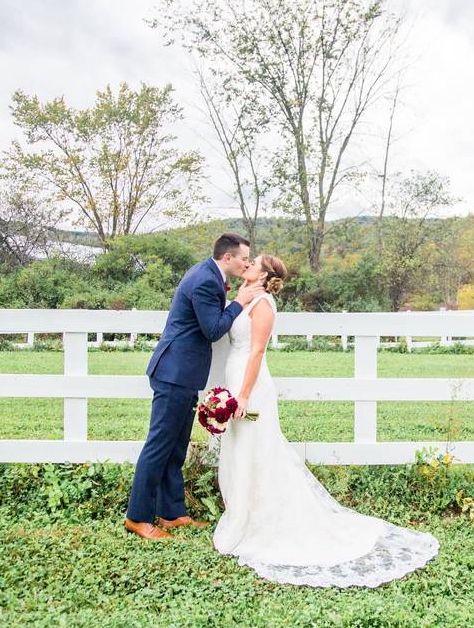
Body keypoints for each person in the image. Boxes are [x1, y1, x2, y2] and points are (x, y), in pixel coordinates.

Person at [212, 254, 439, 587]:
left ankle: (259, 520)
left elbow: (256, 352)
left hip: (251, 385)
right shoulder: (244, 298)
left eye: (253, 262)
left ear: (263, 275)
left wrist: (243, 395)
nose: (247, 264)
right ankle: (241, 513)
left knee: (257, 450)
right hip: (234, 377)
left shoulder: (263, 305)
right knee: (239, 450)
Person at [124, 233, 264, 540]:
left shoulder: (209, 274)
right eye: (244, 258)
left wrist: (235, 298)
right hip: (174, 373)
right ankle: (138, 517)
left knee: (176, 447)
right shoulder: (205, 280)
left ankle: (173, 513)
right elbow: (213, 329)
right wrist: (240, 302)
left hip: (183, 374)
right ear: (228, 258)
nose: (248, 263)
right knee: (159, 446)